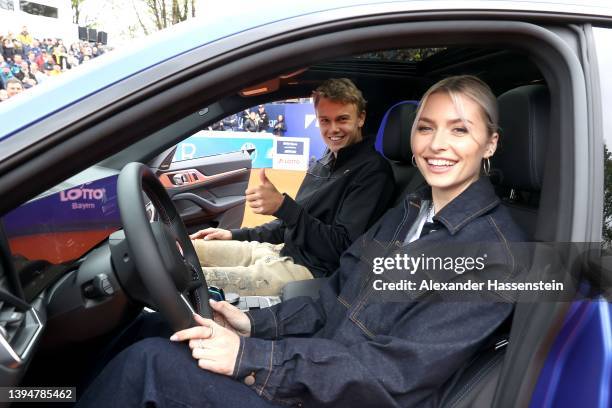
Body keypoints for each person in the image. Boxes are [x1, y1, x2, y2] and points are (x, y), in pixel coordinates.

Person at [77, 75, 527, 407]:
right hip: (318, 373)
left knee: (150, 364)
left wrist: (255, 358)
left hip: (340, 395)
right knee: (159, 328)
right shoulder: (409, 213)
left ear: (490, 144)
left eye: (460, 129)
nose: (436, 144)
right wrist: (255, 326)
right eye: (426, 127)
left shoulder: (494, 256)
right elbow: (335, 295)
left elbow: (393, 376)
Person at [190, 78, 394, 296]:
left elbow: (342, 248)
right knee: (188, 251)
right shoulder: (323, 163)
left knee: (188, 280)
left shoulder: (373, 172)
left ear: (360, 118)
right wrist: (234, 235)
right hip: (277, 251)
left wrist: (283, 206)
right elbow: (290, 225)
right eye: (325, 120)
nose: (333, 129)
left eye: (342, 119)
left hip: (307, 272)